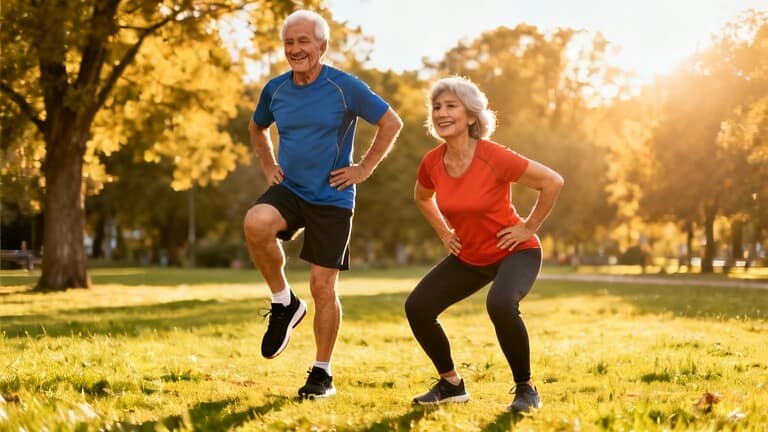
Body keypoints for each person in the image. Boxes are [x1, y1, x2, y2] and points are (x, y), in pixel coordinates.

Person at [243, 9, 402, 399]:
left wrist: (363, 168)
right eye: (289, 43)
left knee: (322, 286)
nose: (295, 50)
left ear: (322, 46)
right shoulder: (275, 90)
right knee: (256, 222)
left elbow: (391, 122)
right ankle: (283, 302)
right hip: (291, 189)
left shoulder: (344, 87)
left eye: (304, 42)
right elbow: (256, 126)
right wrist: (268, 164)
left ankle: (321, 372)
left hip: (332, 196)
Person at [405, 76, 563, 412]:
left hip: (516, 252)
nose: (441, 113)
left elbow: (552, 181)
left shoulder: (493, 156)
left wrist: (528, 227)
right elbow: (422, 197)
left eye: (451, 106)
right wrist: (444, 232)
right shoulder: (432, 162)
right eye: (436, 107)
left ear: (472, 116)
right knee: (418, 307)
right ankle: (450, 385)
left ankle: (526, 389)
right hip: (470, 256)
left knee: (501, 303)